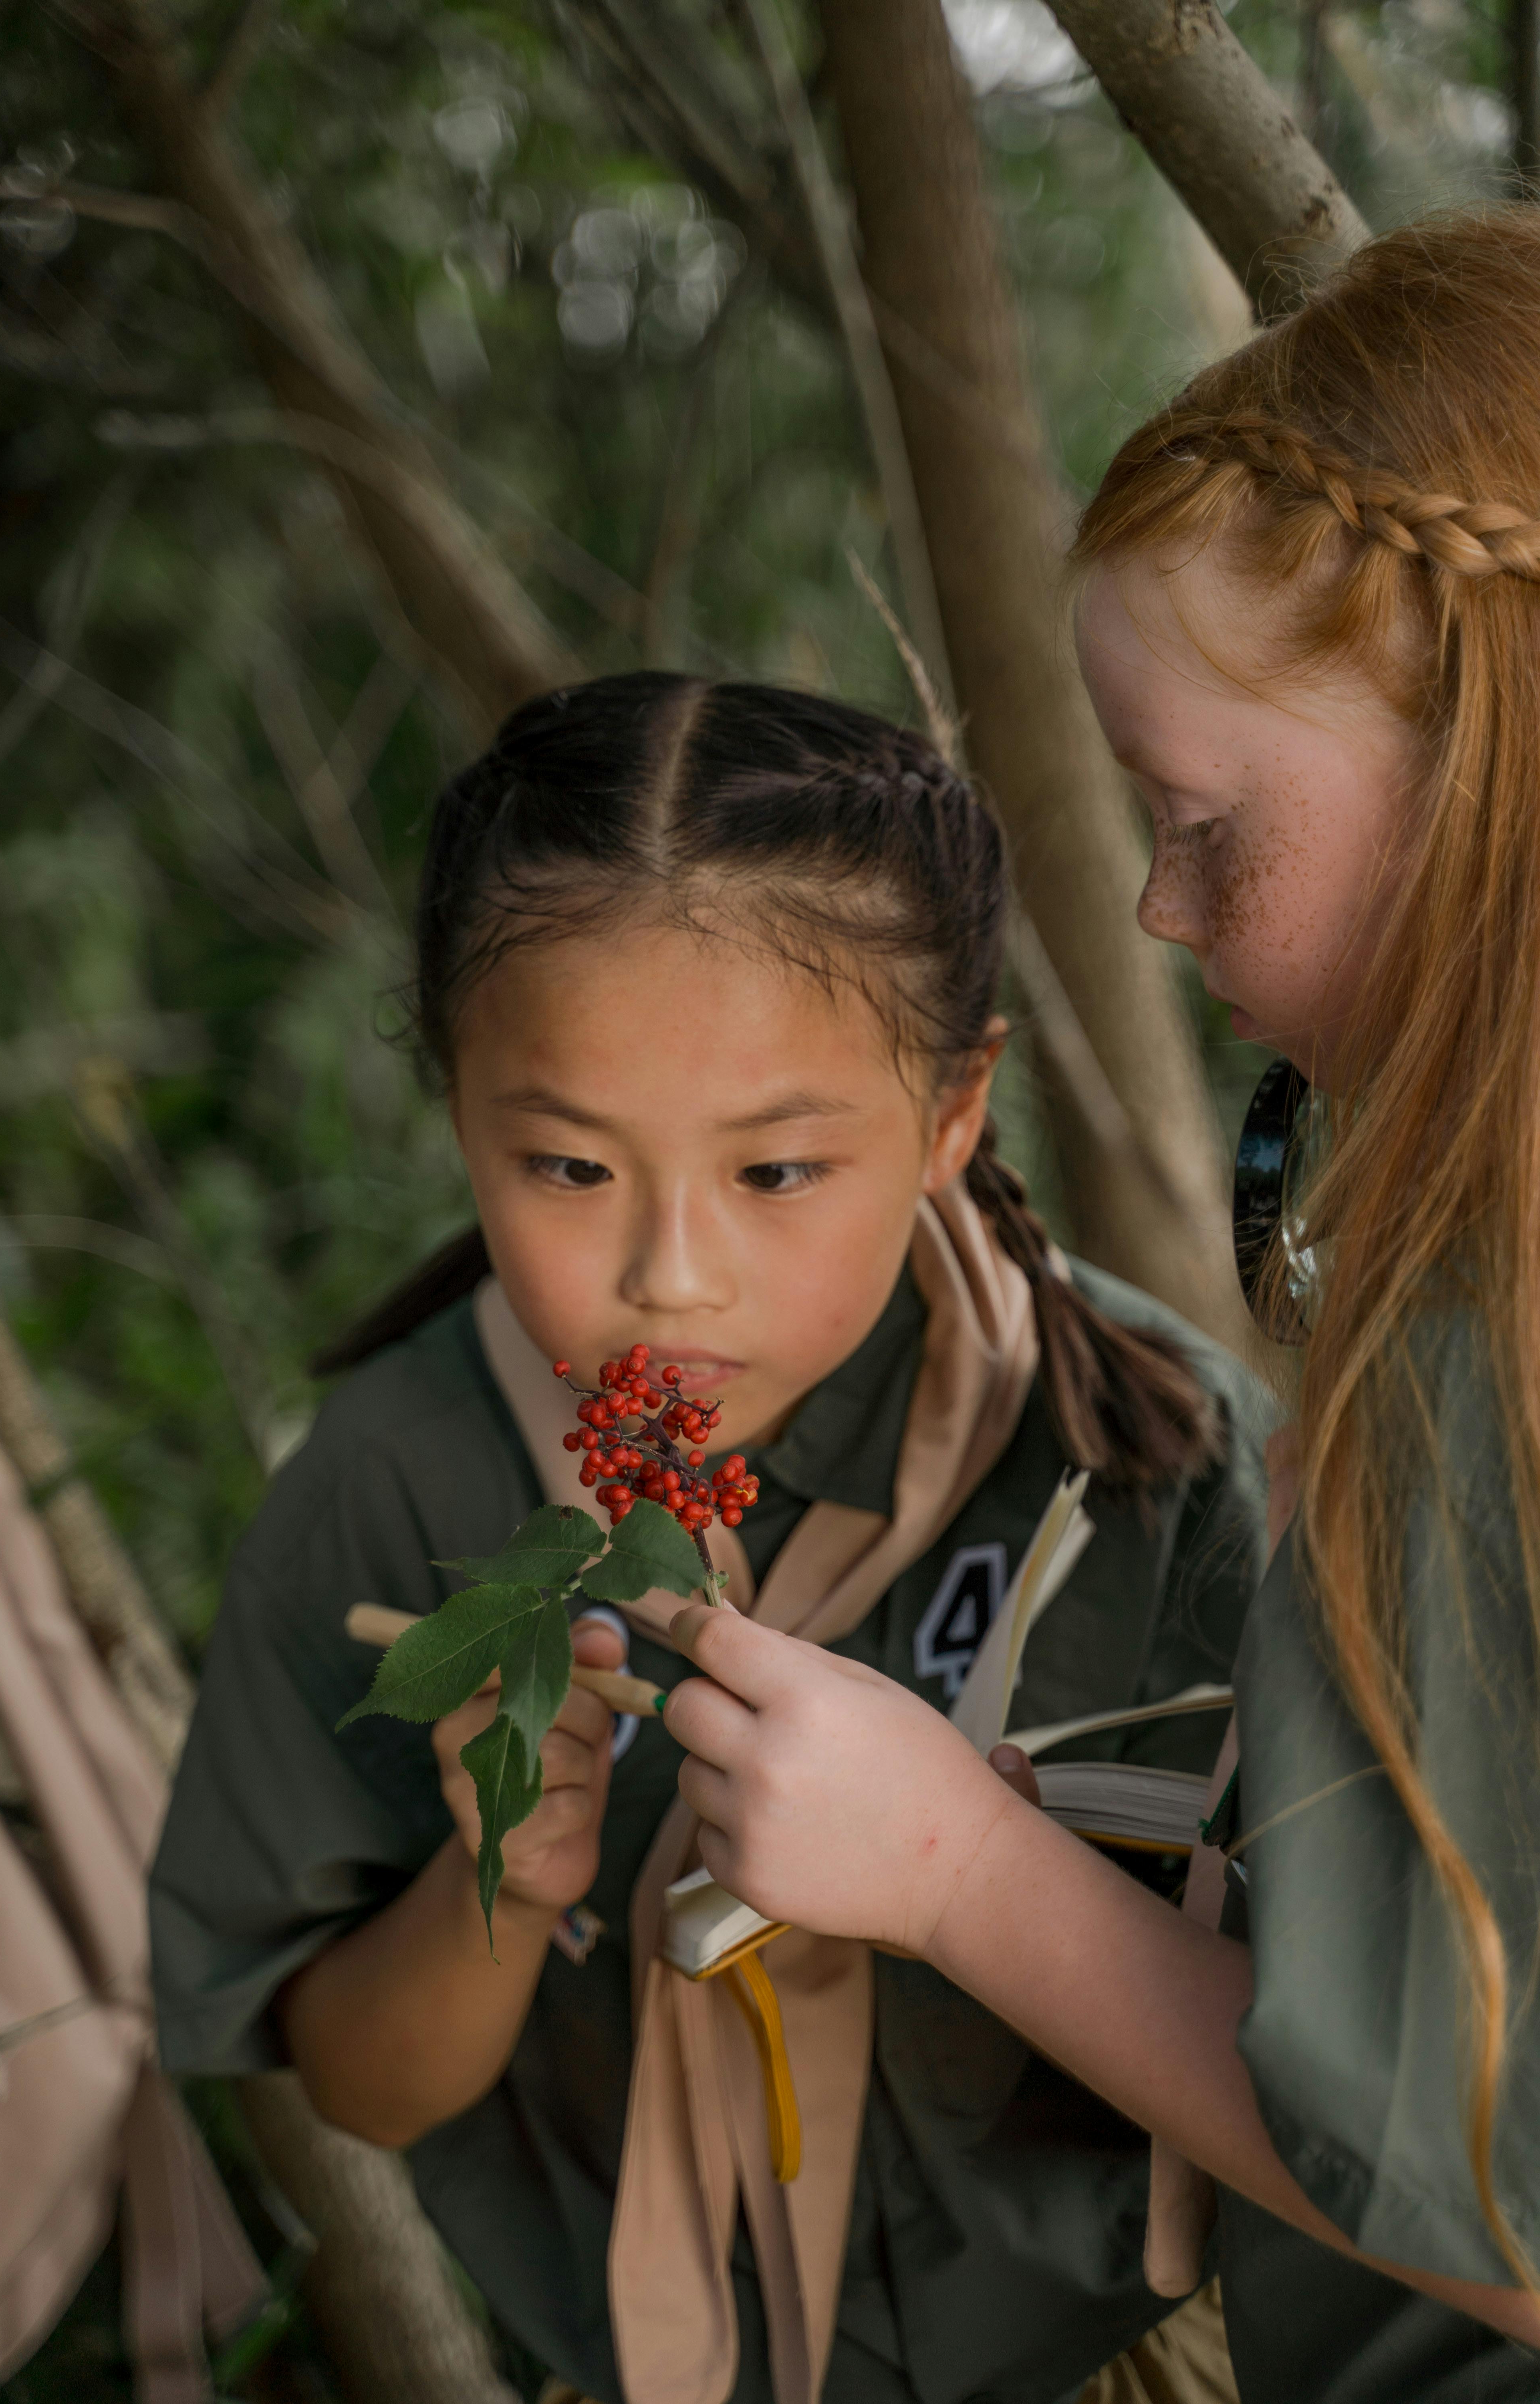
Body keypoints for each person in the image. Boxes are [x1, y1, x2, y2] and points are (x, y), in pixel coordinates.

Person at [149, 673, 1272, 2404]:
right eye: (569, 1169)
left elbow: (1362, 2062)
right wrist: (496, 1887)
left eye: (774, 1174)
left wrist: (970, 1871)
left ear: (955, 1114)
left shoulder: (1152, 1456)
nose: (670, 1271)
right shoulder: (395, 1494)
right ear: (460, 1112)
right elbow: (356, 2088)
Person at [663, 213, 1540, 2402]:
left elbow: (1497, 2206)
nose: (1155, 905)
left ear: (1486, 763)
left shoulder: (1478, 1334)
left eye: (1204, 829)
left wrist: (952, 1868)